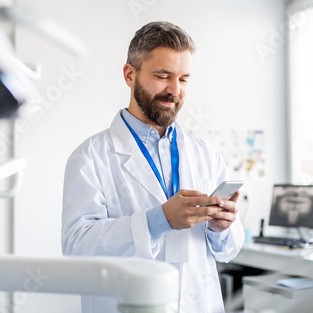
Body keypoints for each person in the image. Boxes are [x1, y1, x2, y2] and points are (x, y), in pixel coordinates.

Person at [62, 21, 244, 313]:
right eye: (163, 76)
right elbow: (77, 248)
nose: (174, 90)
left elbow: (228, 250)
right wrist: (158, 221)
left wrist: (221, 227)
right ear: (130, 75)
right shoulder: (90, 157)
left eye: (184, 79)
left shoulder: (206, 154)